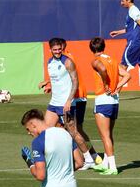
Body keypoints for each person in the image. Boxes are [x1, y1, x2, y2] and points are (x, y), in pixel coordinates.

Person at [38, 38, 97, 170]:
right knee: (45, 131)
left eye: (59, 49)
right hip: (53, 103)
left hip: (66, 104)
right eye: (55, 50)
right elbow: (58, 79)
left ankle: (88, 159)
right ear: (50, 50)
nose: (58, 52)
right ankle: (48, 159)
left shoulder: (68, 62)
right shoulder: (49, 62)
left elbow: (75, 82)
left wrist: (69, 100)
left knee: (74, 132)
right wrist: (47, 83)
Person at [89, 37, 130, 175]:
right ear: (103, 47)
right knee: (108, 134)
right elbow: (127, 75)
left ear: (92, 49)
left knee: (105, 135)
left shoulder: (96, 61)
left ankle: (112, 167)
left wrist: (106, 85)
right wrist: (118, 86)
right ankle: (106, 163)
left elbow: (102, 70)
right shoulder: (111, 60)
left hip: (103, 100)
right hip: (114, 101)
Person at [21, 109, 83, 187]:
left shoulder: (38, 141)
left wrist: (29, 162)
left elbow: (40, 176)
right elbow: (80, 162)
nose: (29, 133)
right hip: (71, 186)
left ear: (33, 124)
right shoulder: (65, 133)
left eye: (28, 129)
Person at [109, 0, 140, 79]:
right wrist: (118, 32)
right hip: (138, 43)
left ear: (129, 0)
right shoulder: (131, 11)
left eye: (123, 1)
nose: (121, 3)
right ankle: (115, 91)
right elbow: (130, 28)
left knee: (122, 67)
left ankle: (115, 91)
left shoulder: (134, 11)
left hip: (134, 43)